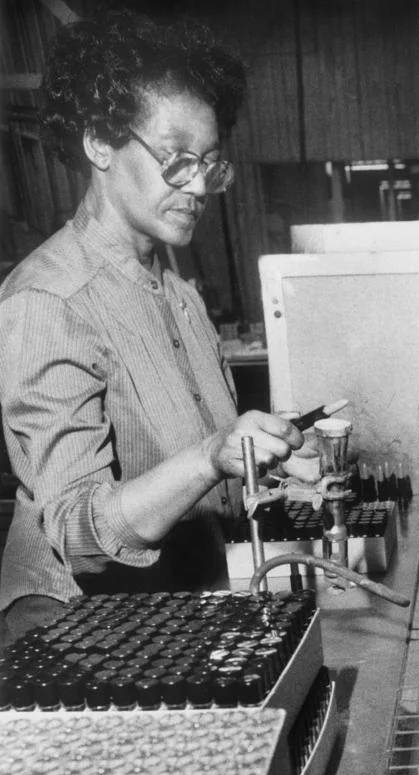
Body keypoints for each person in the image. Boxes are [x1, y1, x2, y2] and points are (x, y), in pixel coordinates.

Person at [0, 8, 318, 642]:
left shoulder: (178, 296)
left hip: (176, 616)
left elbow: (199, 471)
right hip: (76, 639)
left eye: (210, 163)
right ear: (99, 143)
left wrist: (269, 462)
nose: (199, 185)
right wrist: (210, 456)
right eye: (176, 159)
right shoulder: (47, 301)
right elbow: (76, 534)